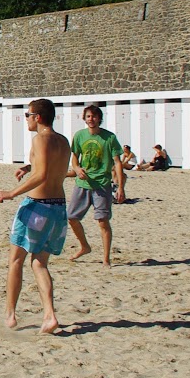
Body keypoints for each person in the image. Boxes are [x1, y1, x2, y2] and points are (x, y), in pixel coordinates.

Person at [0, 98, 71, 334]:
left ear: (37, 117)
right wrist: (29, 168)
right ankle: (49, 314)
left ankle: (10, 315)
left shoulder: (40, 139)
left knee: (16, 260)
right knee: (39, 263)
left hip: (37, 207)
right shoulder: (63, 141)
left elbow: (43, 175)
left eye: (27, 114)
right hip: (58, 208)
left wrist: (12, 193)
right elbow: (55, 170)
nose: (25, 119)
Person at [68, 105, 125, 267]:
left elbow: (117, 162)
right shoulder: (79, 136)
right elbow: (74, 158)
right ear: (84, 119)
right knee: (71, 217)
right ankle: (85, 246)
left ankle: (106, 258)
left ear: (99, 118)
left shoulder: (109, 138)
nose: (91, 119)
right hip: (82, 184)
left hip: (102, 185)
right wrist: (77, 168)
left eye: (94, 116)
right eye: (88, 116)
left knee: (102, 221)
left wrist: (120, 187)